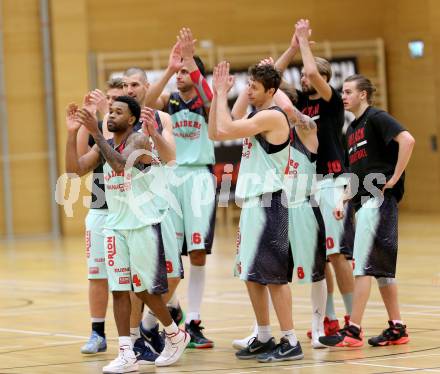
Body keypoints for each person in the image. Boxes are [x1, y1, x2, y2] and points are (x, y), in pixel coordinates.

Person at [65, 96, 189, 372]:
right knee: (119, 289)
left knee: (143, 289)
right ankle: (126, 353)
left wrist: (96, 134)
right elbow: (74, 171)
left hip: (143, 224)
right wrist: (72, 133)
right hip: (116, 224)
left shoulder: (138, 142)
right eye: (110, 111)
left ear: (131, 119)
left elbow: (121, 165)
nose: (111, 115)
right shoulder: (104, 145)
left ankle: (174, 333)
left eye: (118, 112)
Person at [209, 61, 303, 362]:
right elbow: (216, 132)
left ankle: (290, 340)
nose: (248, 89)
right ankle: (263, 335)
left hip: (270, 203)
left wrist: (223, 93)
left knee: (275, 277)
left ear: (272, 92)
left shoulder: (273, 118)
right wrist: (216, 95)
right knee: (251, 274)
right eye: (248, 84)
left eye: (254, 86)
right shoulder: (256, 114)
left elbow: (227, 127)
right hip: (252, 203)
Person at [230, 58, 327, 350]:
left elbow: (283, 105)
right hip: (273, 203)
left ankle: (319, 325)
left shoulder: (305, 129)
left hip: (299, 206)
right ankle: (261, 331)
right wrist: (273, 70)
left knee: (313, 271)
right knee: (261, 271)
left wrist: (277, 76)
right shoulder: (263, 127)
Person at [319, 74, 415, 347]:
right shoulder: (351, 131)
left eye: (348, 91)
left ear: (363, 94)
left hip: (378, 200)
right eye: (343, 92)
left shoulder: (377, 118)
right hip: (363, 202)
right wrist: (342, 201)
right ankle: (397, 327)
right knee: (383, 272)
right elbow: (354, 173)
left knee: (362, 267)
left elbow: (408, 140)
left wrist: (395, 177)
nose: (344, 96)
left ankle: (353, 331)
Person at [276, 19, 355, 335]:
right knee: (317, 256)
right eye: (306, 77)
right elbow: (273, 80)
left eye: (314, 76)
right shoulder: (297, 102)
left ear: (325, 79)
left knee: (336, 254)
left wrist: (305, 43)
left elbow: (309, 72)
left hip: (331, 180)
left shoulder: (332, 102)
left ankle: (353, 319)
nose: (307, 79)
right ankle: (329, 317)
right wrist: (292, 48)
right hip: (305, 184)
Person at [144, 27, 216, 348]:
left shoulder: (204, 98)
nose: (180, 76)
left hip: (199, 177)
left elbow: (212, 98)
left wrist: (191, 62)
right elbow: (144, 104)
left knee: (197, 251)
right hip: (171, 178)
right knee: (171, 253)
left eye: (186, 71)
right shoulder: (168, 100)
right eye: (180, 72)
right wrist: (171, 67)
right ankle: (160, 319)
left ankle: (195, 320)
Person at [121, 66, 185, 362]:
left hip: (163, 205)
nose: (130, 89)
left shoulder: (163, 118)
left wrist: (154, 134)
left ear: (147, 86)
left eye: (135, 83)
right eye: (125, 85)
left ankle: (150, 325)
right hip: (135, 210)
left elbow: (170, 157)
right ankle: (135, 338)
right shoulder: (120, 124)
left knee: (172, 275)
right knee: (136, 280)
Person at [76, 78, 124, 355]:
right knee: (97, 275)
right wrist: (86, 120)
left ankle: (146, 329)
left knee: (133, 279)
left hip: (127, 210)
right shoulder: (98, 125)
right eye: (109, 100)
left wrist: (104, 115)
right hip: (100, 206)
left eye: (116, 102)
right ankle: (97, 333)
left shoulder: (132, 131)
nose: (111, 107)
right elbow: (80, 161)